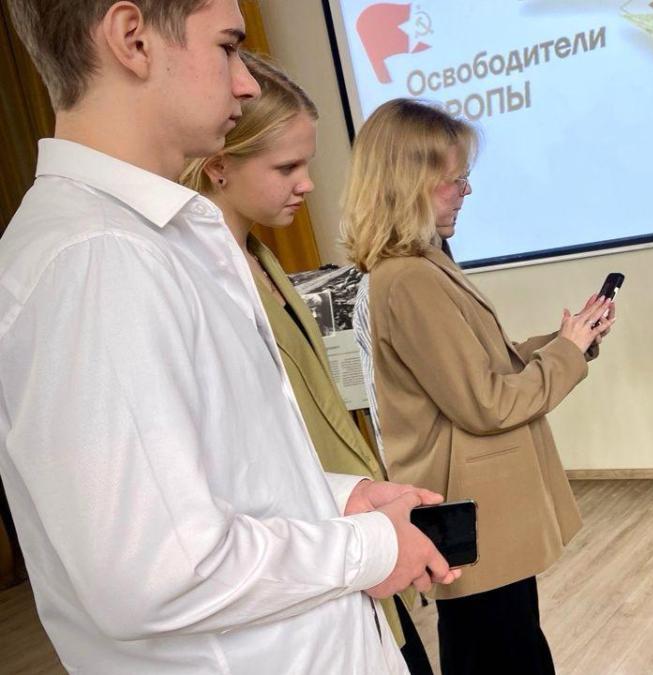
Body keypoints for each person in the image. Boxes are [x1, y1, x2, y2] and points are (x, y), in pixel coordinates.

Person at [0, 2, 460, 672]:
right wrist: (373, 546)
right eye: (227, 47)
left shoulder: (155, 241)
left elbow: (219, 478)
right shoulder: (98, 258)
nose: (245, 83)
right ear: (133, 40)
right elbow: (160, 571)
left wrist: (340, 498)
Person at [341, 99, 616, 675]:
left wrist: (568, 340)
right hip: (473, 513)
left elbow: (488, 365)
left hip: (482, 513)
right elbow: (487, 403)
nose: (466, 191)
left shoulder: (423, 266)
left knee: (505, 646)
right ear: (410, 183)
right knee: (502, 653)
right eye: (455, 179)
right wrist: (566, 352)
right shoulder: (409, 279)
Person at [178, 53, 432, 674]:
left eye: (307, 164)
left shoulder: (261, 259)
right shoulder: (197, 281)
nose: (308, 184)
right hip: (306, 553)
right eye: (287, 167)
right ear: (218, 166)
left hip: (347, 522)